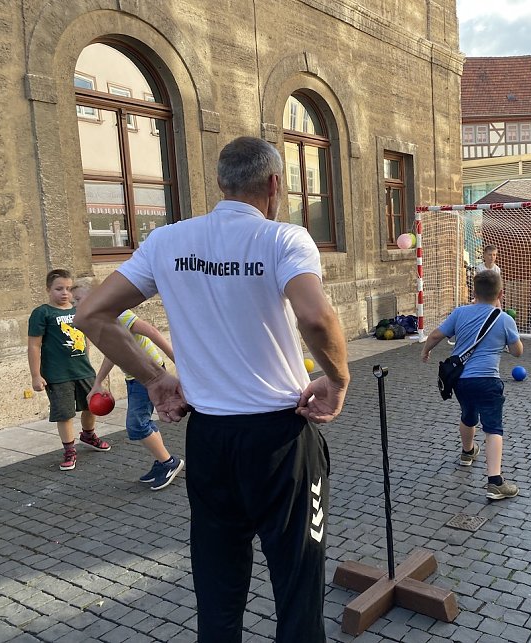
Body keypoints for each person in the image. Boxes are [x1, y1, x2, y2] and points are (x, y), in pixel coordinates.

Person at [75, 137, 350, 641]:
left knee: (217, 588)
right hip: (280, 441)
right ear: (274, 184)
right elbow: (314, 315)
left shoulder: (167, 241)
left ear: (220, 183)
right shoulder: (283, 239)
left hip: (209, 441)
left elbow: (90, 314)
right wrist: (337, 379)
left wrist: (155, 379)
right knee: (297, 581)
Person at [71, 279, 184, 490]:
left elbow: (151, 331)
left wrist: (179, 361)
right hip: (134, 377)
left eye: (78, 299)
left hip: (150, 375)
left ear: (95, 296)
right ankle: (163, 462)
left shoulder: (117, 313)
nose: (76, 305)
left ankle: (169, 463)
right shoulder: (102, 321)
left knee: (136, 425)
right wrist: (98, 382)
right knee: (141, 423)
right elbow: (113, 353)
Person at [420, 270, 523, 500]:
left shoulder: (460, 312)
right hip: (488, 380)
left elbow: (436, 334)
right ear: (501, 294)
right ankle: (495, 482)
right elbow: (518, 352)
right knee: (493, 427)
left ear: (473, 292)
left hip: (462, 380)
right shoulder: (504, 318)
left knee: (468, 415)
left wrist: (425, 351)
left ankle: (467, 453)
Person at [27, 269, 111, 471]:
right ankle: (69, 450)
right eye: (58, 289)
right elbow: (34, 346)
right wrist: (36, 376)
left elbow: (85, 339)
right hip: (57, 374)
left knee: (91, 405)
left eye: (68, 288)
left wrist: (88, 362)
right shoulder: (42, 313)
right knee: (64, 414)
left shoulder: (78, 309)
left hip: (83, 370)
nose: (64, 293)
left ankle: (88, 435)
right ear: (48, 289)